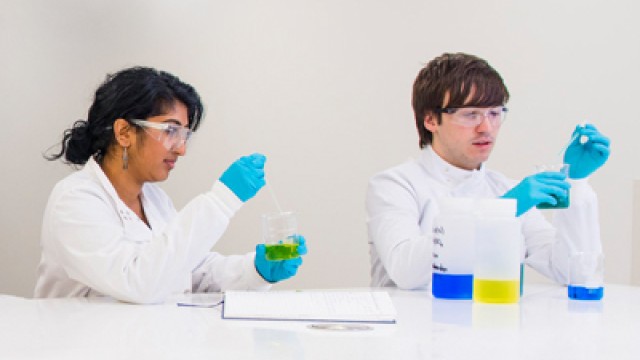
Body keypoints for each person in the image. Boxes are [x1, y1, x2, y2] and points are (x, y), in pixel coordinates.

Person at [34, 66, 307, 304]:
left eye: (185, 134)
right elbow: (139, 283)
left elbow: (189, 271)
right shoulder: (75, 200)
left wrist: (256, 270)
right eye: (170, 131)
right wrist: (223, 199)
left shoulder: (154, 199)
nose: (181, 149)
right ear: (124, 132)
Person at [366, 53, 610, 289]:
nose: (486, 127)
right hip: (414, 328)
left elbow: (573, 272)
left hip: (494, 324)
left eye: (494, 113)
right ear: (430, 119)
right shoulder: (395, 184)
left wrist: (576, 182)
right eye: (470, 114)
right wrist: (501, 210)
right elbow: (405, 270)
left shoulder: (503, 189)